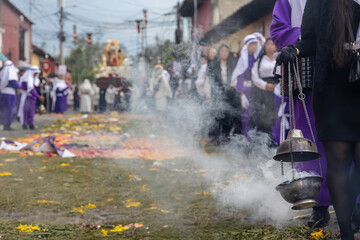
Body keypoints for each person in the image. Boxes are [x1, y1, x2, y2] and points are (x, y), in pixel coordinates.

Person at [277, 0, 360, 239]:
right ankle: (346, 232)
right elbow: (311, 38)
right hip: (333, 86)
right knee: (339, 160)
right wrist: (295, 49)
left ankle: (353, 206)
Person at [271, 0, 332, 228]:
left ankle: (355, 202)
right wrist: (310, 34)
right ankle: (319, 203)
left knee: (347, 138)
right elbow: (278, 31)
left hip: (341, 70)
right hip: (303, 73)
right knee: (310, 141)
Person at [207, 44, 241, 144]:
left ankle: (226, 138)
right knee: (218, 116)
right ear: (219, 53)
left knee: (229, 116)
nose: (224, 53)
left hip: (231, 94)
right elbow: (211, 80)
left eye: (226, 51)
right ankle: (215, 139)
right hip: (218, 93)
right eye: (222, 51)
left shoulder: (233, 63)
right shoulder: (213, 65)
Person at [232, 35, 261, 135]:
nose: (254, 47)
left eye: (255, 45)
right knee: (246, 115)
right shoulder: (243, 59)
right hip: (246, 90)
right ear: (247, 46)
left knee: (257, 114)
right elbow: (239, 76)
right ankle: (246, 137)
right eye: (251, 45)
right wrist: (242, 95)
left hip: (257, 90)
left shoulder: (258, 58)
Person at [249, 39, 278, 139]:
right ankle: (259, 139)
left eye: (272, 44)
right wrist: (265, 85)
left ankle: (273, 139)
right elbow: (254, 77)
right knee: (260, 114)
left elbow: (284, 75)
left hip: (277, 92)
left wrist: (277, 86)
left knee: (273, 114)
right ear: (264, 47)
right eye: (268, 44)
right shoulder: (259, 61)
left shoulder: (279, 59)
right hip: (261, 91)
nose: (270, 46)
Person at [0, 61, 20, 130]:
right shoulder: (11, 72)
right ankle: (8, 124)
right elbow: (15, 84)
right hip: (10, 94)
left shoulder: (2, 72)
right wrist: (21, 86)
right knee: (10, 109)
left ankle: (5, 124)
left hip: (3, 93)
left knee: (4, 109)